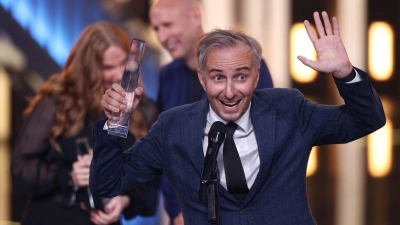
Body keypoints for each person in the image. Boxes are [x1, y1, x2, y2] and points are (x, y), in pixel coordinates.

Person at [90, 12, 386, 224]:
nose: (230, 91)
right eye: (218, 77)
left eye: (241, 76)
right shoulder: (173, 127)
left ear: (257, 76)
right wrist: (116, 122)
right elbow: (107, 183)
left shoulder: (288, 109)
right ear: (202, 79)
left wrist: (344, 72)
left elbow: (367, 120)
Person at [10, 21, 159, 225]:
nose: (118, 74)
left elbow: (151, 186)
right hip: (54, 217)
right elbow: (21, 167)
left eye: (122, 64)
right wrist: (69, 176)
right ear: (88, 68)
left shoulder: (143, 109)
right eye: (108, 67)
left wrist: (125, 199)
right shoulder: (59, 99)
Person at [149, 0, 273, 223]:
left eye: (168, 24)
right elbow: (165, 151)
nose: (162, 37)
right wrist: (178, 210)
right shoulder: (167, 76)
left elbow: (265, 146)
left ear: (196, 16)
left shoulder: (246, 68)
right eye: (156, 28)